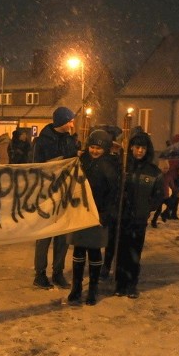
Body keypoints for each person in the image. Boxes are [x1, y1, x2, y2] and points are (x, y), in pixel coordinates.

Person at [66, 130, 118, 306]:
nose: (94, 151)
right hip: (82, 212)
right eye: (92, 147)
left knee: (94, 252)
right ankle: (77, 287)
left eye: (98, 148)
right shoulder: (82, 162)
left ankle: (93, 289)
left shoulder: (109, 166)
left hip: (99, 214)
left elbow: (113, 193)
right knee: (79, 251)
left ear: (105, 149)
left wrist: (106, 213)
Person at [31, 106, 78, 289]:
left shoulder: (69, 140)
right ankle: (40, 274)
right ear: (62, 122)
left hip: (64, 192)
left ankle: (58, 272)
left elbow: (72, 161)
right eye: (70, 120)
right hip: (46, 193)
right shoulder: (42, 142)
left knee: (62, 236)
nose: (73, 123)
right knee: (44, 236)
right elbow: (36, 167)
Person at [113, 133, 164, 298]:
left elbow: (158, 195)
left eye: (143, 148)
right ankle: (120, 284)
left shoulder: (153, 172)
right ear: (131, 148)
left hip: (139, 219)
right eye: (137, 147)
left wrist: (147, 208)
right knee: (121, 251)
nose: (140, 151)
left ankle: (131, 284)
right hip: (123, 217)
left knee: (135, 252)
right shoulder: (124, 167)